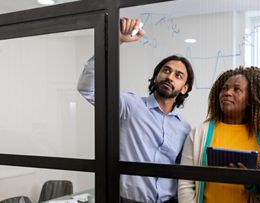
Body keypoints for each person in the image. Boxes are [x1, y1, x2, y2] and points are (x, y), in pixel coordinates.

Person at [77, 18, 195, 203]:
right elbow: (88, 88)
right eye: (166, 70)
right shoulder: (129, 106)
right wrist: (116, 41)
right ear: (156, 76)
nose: (170, 77)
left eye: (178, 75)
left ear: (184, 88)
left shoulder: (185, 129)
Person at [178, 66, 260, 203]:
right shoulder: (199, 133)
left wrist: (250, 183)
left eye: (236, 89)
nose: (227, 93)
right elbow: (186, 183)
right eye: (224, 88)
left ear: (251, 98)